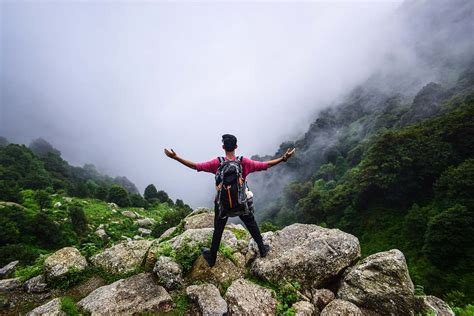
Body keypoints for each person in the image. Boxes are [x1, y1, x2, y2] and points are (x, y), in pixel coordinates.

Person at [164, 134, 295, 267]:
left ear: (223, 147)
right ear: (236, 147)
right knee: (251, 223)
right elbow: (264, 165)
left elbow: (196, 166)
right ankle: (262, 248)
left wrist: (176, 157)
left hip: (222, 204)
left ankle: (212, 257)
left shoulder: (217, 163)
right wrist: (283, 159)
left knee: (218, 229)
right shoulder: (243, 162)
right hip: (241, 201)